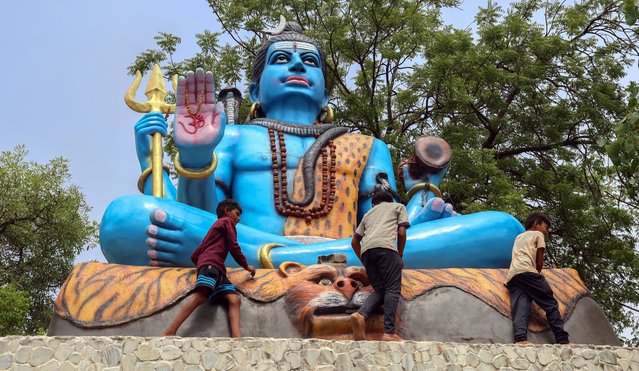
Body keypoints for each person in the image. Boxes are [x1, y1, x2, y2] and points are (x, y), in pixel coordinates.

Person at [100, 21, 524, 270]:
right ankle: (327, 260)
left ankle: (270, 258)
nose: (298, 65)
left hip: (283, 251)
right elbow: (200, 216)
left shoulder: (366, 146)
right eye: (281, 60)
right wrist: (194, 157)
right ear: (255, 88)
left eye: (310, 62)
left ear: (325, 95)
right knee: (123, 219)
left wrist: (417, 207)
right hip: (340, 256)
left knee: (504, 231)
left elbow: (378, 225)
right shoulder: (233, 136)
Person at [163, 199, 256, 337]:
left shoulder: (213, 230)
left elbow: (195, 255)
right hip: (212, 265)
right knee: (200, 296)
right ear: (227, 211)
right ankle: (170, 331)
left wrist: (201, 262)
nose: (238, 218)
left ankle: (237, 338)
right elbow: (233, 246)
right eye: (236, 214)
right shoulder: (226, 222)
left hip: (217, 268)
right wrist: (246, 265)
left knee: (234, 299)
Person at [350, 190, 408, 341]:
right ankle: (388, 333)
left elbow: (354, 241)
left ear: (373, 204)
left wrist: (364, 259)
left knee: (381, 290)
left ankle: (360, 315)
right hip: (386, 249)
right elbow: (401, 232)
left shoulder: (368, 214)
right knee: (393, 289)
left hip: (367, 252)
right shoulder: (398, 207)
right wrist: (399, 255)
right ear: (389, 200)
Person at [505, 212, 569, 344]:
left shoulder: (519, 237)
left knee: (521, 306)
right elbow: (539, 260)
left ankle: (521, 338)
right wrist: (538, 271)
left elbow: (523, 255)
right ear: (536, 223)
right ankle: (562, 339)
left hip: (513, 276)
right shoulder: (538, 235)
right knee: (550, 303)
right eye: (546, 227)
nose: (547, 232)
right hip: (528, 272)